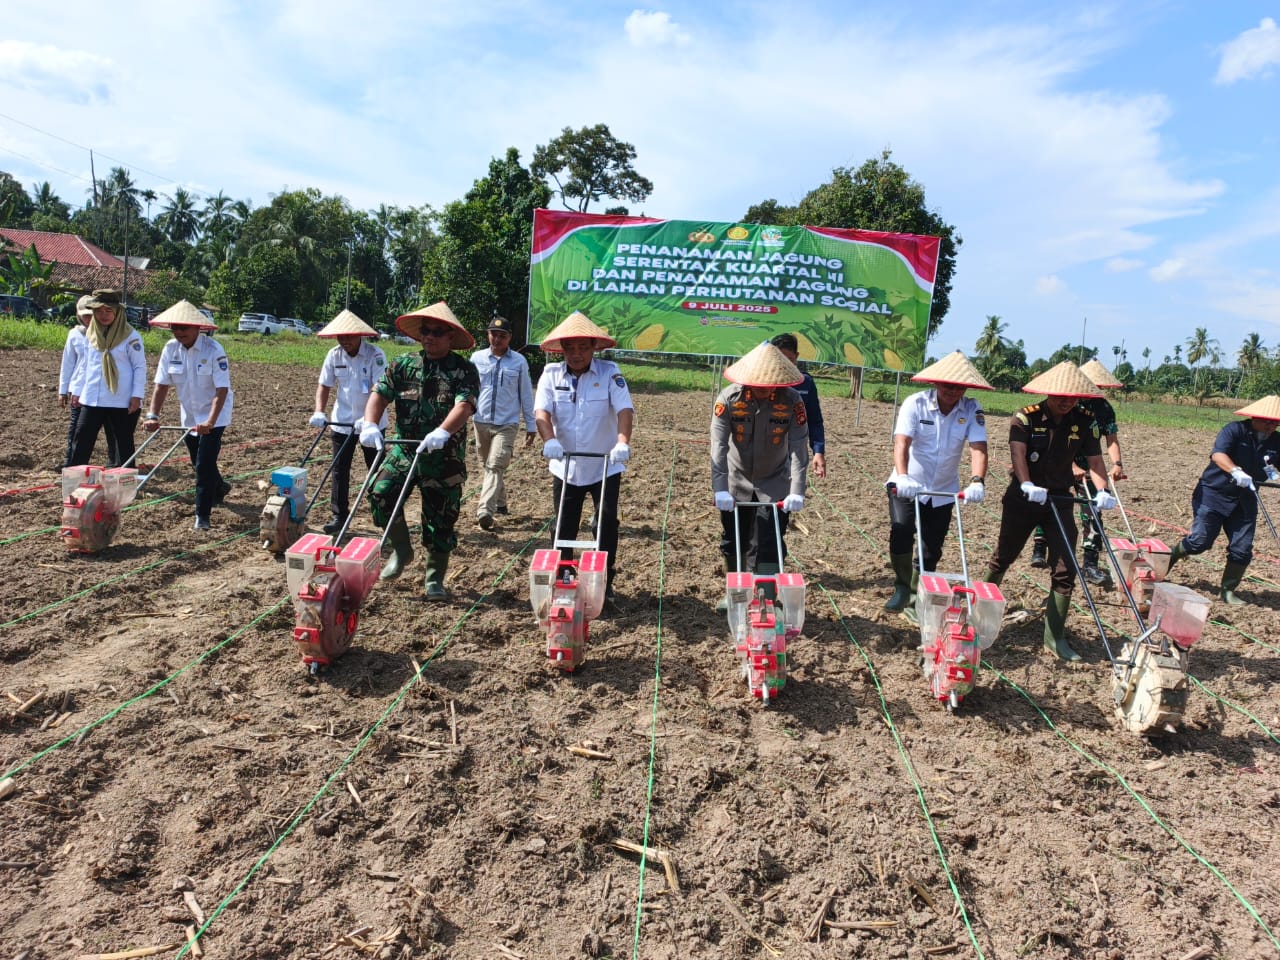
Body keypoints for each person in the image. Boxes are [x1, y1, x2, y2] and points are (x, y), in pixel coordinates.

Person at [983, 361, 1115, 661]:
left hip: (1059, 499)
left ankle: (1054, 636)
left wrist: (1103, 490)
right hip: (1024, 498)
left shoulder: (1085, 421)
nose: (1066, 401)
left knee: (1065, 566)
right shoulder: (1026, 417)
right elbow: (1018, 453)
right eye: (1060, 396)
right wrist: (1027, 483)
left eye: (1072, 396)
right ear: (1048, 392)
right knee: (1004, 556)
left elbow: (1095, 460)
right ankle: (977, 613)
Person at [360, 301, 478, 601]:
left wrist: (443, 431)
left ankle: (434, 577)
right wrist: (370, 423)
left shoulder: (463, 369)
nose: (430, 337)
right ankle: (401, 549)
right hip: (405, 448)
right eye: (426, 331)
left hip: (443, 454)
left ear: (450, 336)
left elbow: (465, 405)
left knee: (440, 517)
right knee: (380, 492)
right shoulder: (403, 364)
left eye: (437, 332)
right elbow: (379, 393)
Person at [534, 311, 634, 606]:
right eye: (570, 348)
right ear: (562, 349)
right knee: (563, 524)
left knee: (606, 523)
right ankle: (564, 576)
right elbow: (542, 412)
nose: (576, 354)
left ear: (593, 347)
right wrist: (549, 440)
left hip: (605, 464)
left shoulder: (609, 373)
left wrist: (622, 442)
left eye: (582, 347)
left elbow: (624, 409)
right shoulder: (551, 374)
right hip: (566, 465)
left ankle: (604, 580)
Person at [884, 351, 991, 621]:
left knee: (932, 547)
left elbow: (978, 447)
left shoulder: (971, 408)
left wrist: (977, 480)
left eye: (959, 387)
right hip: (908, 483)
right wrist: (903, 476)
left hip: (943, 489)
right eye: (947, 385)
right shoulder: (916, 403)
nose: (952, 391)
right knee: (902, 529)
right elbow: (902, 442)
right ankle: (902, 587)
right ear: (936, 382)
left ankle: (917, 596)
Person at [711, 341, 808, 611]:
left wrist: (797, 490)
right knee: (734, 538)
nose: (764, 388)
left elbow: (799, 447)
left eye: (770, 383)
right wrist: (720, 488)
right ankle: (735, 594)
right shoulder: (729, 400)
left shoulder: (792, 401)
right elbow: (718, 446)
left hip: (774, 481)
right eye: (758, 383)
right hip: (736, 478)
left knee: (770, 540)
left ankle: (766, 597)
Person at [1164, 395, 1280, 604]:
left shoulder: (1277, 441)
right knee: (1200, 542)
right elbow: (1218, 455)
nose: (1271, 426)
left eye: (1276, 423)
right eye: (1267, 421)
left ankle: (1227, 591)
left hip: (1245, 499)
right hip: (1214, 493)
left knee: (1242, 549)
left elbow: (1276, 467)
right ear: (1254, 417)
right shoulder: (1235, 430)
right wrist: (1235, 471)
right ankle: (1171, 556)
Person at [1028, 358, 1127, 584]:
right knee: (1048, 503)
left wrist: (1117, 464)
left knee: (1093, 511)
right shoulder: (1064, 404)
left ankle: (1090, 563)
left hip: (1091, 466)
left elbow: (1111, 438)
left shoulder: (1103, 408)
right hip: (1059, 464)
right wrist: (1071, 465)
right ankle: (1040, 547)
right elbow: (1055, 440)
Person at [143, 300, 234, 531]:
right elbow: (161, 385)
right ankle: (220, 486)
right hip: (190, 416)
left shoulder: (213, 350)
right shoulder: (170, 349)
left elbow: (221, 390)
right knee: (197, 461)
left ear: (197, 328)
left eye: (184, 328)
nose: (179, 332)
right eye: (175, 328)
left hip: (215, 414)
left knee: (203, 465)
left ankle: (202, 516)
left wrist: (210, 421)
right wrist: (153, 415)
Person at [310, 309, 388, 535]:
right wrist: (319, 411)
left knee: (377, 470)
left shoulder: (375, 355)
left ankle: (383, 512)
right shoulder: (334, 355)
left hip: (371, 424)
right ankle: (339, 516)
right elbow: (324, 385)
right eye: (340, 336)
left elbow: (380, 389)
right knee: (339, 470)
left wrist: (368, 419)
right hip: (342, 422)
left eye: (349, 336)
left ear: (359, 335)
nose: (344, 341)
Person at [470, 313, 537, 530]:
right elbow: (468, 391)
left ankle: (485, 511)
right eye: (494, 334)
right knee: (488, 465)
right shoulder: (476, 358)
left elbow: (526, 394)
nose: (497, 339)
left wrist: (531, 425)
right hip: (481, 420)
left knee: (495, 464)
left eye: (502, 336)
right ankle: (500, 502)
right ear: (488, 335)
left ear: (510, 338)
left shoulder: (519, 361)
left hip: (507, 423)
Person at [67, 289, 145, 468]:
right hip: (92, 397)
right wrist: (77, 390)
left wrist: (137, 395)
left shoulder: (130, 336)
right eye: (99, 311)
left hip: (121, 399)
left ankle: (124, 480)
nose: (104, 315)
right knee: (82, 437)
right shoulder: (91, 334)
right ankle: (74, 477)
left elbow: (139, 367)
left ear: (117, 312)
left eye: (108, 311)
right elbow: (85, 365)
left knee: (123, 444)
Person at [769, 333, 827, 479]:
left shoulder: (805, 383)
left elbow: (814, 420)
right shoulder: (761, 382)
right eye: (780, 359)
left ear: (797, 356)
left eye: (789, 359)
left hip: (795, 451)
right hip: (765, 450)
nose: (785, 365)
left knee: (793, 488)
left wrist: (818, 451)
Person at [56, 295, 101, 470]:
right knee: (75, 429)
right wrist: (63, 390)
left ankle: (116, 463)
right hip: (78, 390)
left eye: (91, 315)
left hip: (99, 390)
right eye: (85, 316)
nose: (88, 319)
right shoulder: (74, 334)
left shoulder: (106, 334)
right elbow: (68, 363)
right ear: (79, 316)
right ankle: (70, 463)